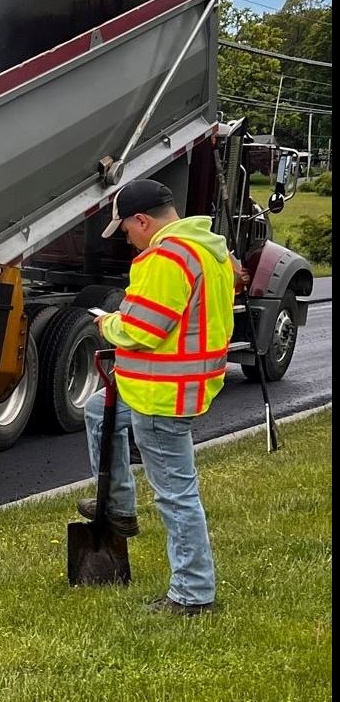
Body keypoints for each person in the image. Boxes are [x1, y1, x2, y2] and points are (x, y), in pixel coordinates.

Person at [83, 178, 235, 616]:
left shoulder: (165, 258)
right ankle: (118, 505)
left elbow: (142, 329)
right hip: (175, 384)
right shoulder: (208, 251)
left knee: (176, 494)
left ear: (142, 221)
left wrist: (108, 323)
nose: (127, 239)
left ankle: (192, 595)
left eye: (127, 229)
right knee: (98, 411)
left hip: (159, 392)